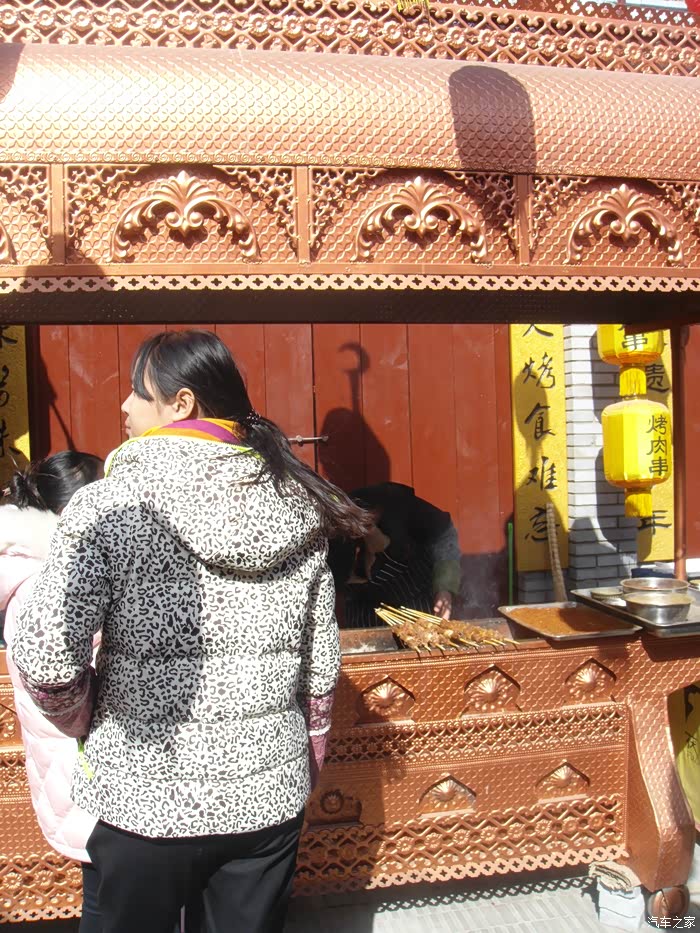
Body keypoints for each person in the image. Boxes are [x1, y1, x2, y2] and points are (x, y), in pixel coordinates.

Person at [12, 329, 371, 933]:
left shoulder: (108, 506)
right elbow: (319, 669)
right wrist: (299, 764)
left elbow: (47, 661)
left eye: (136, 392)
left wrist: (86, 719)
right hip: (267, 801)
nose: (124, 405)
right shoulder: (298, 505)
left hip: (144, 800)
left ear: (181, 404)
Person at [0, 451, 104, 932]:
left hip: (74, 763)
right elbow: (55, 678)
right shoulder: (46, 579)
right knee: (113, 900)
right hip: (87, 765)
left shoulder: (28, 564)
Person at [327, 482, 461, 629]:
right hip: (366, 615)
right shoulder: (336, 530)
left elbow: (444, 535)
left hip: (416, 607)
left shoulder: (404, 508)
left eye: (370, 520)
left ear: (379, 510)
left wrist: (445, 588)